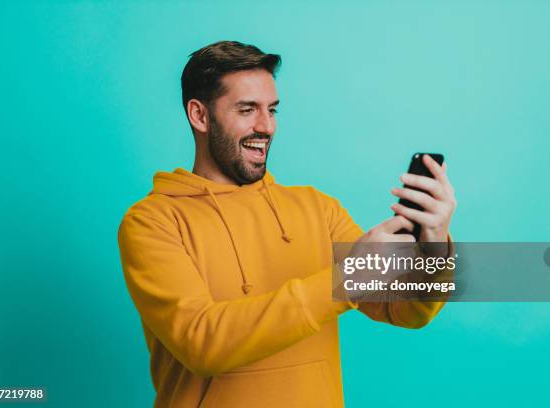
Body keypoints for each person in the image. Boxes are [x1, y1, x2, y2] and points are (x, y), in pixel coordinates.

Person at [117, 40, 457, 408]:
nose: (266, 127)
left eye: (272, 110)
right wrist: (344, 280)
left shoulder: (318, 209)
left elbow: (404, 309)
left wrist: (434, 248)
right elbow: (202, 343)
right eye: (247, 110)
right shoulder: (152, 223)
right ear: (199, 116)